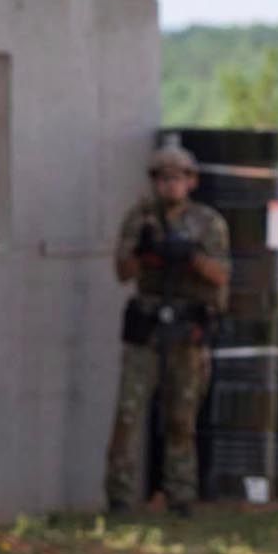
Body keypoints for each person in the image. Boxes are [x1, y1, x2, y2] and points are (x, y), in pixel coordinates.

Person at [104, 141, 232, 516]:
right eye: (163, 178)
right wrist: (144, 254)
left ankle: (181, 495)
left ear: (191, 182)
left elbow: (221, 275)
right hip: (147, 325)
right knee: (128, 414)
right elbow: (121, 272)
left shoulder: (209, 223)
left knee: (182, 417)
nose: (170, 185)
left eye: (178, 178)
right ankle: (120, 498)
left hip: (187, 329)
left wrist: (190, 255)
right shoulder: (139, 220)